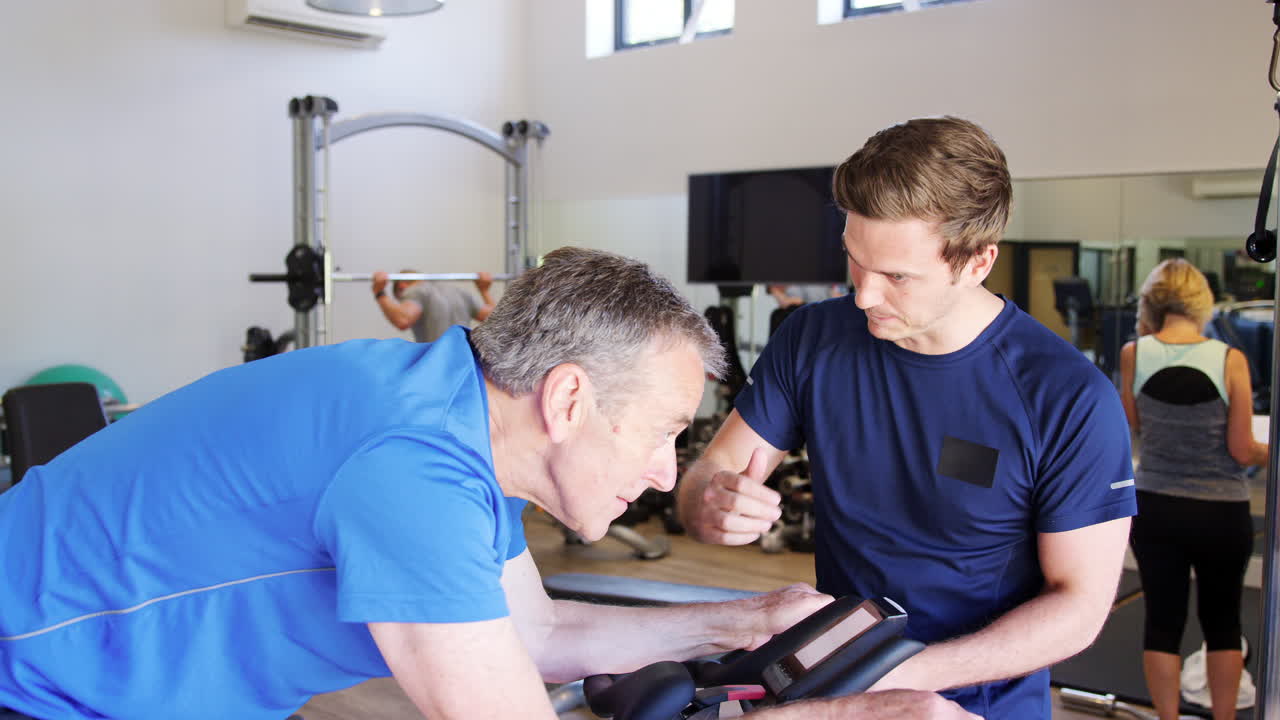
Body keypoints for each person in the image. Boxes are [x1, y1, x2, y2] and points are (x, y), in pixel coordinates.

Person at [0, 247, 978, 720]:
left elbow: (533, 637)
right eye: (660, 433)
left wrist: (744, 622)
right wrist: (848, 714)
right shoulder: (413, 467)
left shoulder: (454, 416)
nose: (662, 471)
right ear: (567, 398)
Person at [677, 117, 1137, 719]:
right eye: (855, 261)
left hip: (973, 706)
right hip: (835, 692)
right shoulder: (813, 338)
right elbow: (710, 473)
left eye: (897, 276)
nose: (864, 295)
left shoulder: (1068, 397)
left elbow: (1079, 606)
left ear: (977, 262)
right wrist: (710, 504)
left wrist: (903, 675)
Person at [1120, 259, 1268, 720]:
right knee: (1223, 624)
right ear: (1202, 302)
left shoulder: (1133, 354)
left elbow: (1132, 426)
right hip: (1220, 513)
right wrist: (1271, 452)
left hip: (1156, 507)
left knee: (1161, 623)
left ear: (1151, 302)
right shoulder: (1229, 359)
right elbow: (1242, 449)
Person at [372, 268, 496, 342]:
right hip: (464, 364)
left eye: (402, 300)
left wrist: (379, 293)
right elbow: (496, 320)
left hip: (436, 365)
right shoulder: (459, 292)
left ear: (402, 287)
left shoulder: (416, 291)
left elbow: (402, 319)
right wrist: (484, 290)